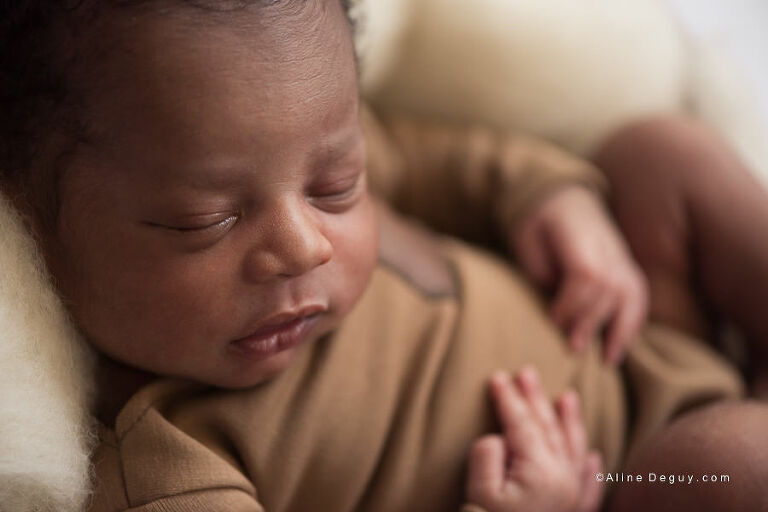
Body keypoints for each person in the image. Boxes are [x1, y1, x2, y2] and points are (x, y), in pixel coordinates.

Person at [1, 1, 766, 511]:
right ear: (34, 223)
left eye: (338, 187)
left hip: (646, 324)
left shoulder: (288, 144)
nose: (305, 245)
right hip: (634, 471)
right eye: (205, 221)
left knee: (658, 152)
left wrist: (551, 200)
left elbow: (449, 162)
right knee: (733, 460)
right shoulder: (170, 467)